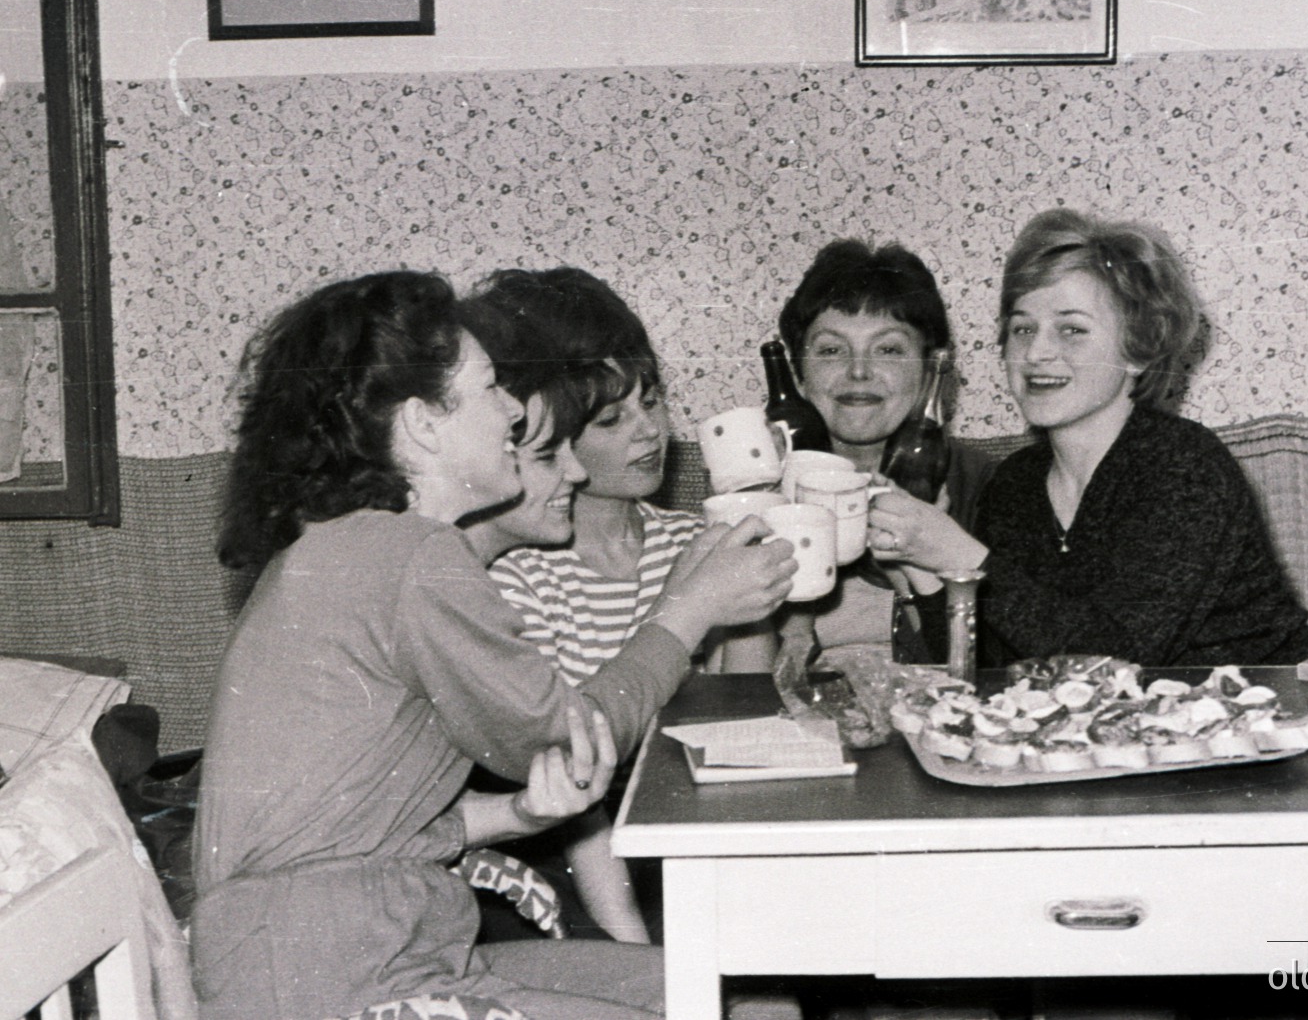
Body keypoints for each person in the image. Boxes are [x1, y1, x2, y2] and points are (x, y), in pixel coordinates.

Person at [194, 270, 795, 1020]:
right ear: (422, 424)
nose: (512, 406)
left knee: (734, 995)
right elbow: (571, 735)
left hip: (384, 946)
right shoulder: (406, 556)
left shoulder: (374, 550)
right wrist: (689, 610)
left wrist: (518, 813)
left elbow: (359, 824)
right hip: (324, 977)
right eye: (487, 389)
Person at [463, 267, 772, 946]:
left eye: (652, 400)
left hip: (683, 833)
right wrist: (635, 945)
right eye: (611, 417)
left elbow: (740, 722)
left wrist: (755, 597)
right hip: (565, 848)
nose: (649, 431)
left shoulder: (686, 538)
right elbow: (568, 773)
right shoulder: (520, 572)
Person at [872, 208, 1308, 669]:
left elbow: (1115, 659)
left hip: (1279, 716)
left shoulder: (1183, 465)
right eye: (1022, 328)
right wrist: (920, 565)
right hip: (1140, 731)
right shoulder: (1014, 484)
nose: (1036, 352)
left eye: (1071, 330)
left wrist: (959, 552)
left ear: (1136, 351)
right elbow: (988, 672)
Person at [776, 238, 997, 660]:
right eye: (831, 350)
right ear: (797, 374)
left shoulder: (987, 485)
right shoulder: (766, 487)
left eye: (889, 349)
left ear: (931, 367)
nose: (858, 371)